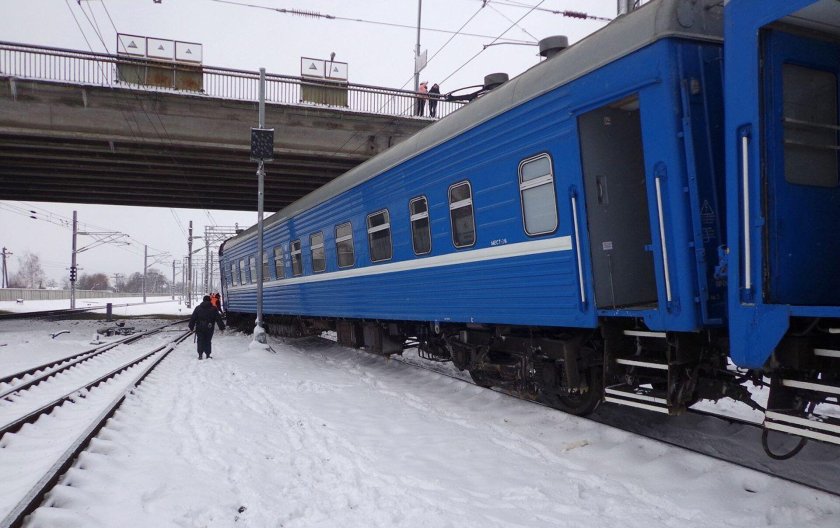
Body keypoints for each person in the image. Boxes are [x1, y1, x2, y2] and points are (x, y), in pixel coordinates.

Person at [189, 295, 225, 360]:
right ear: (210, 300)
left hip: (200, 327)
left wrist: (191, 327)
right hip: (209, 327)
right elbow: (218, 319)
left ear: (203, 300)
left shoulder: (198, 308)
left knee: (200, 340)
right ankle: (208, 355)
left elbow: (193, 318)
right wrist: (221, 328)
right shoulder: (214, 308)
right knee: (208, 341)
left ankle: (200, 355)